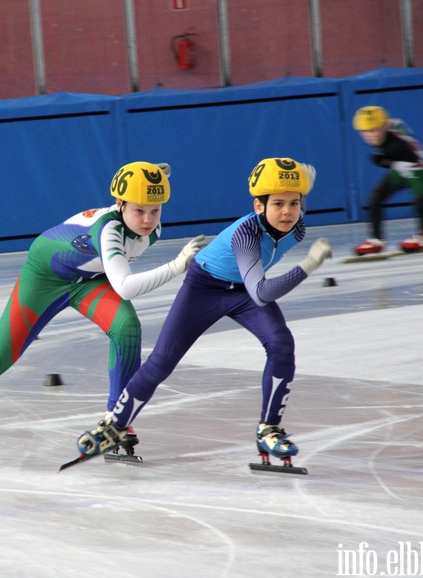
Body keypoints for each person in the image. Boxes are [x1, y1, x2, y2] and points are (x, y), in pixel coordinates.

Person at [0, 161, 207, 461]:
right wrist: (176, 266)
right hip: (45, 275)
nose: (147, 220)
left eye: (155, 210)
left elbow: (119, 276)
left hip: (89, 279)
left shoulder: (150, 228)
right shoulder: (109, 231)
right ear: (119, 204)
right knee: (0, 355)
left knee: (127, 326)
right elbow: (126, 286)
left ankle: (118, 420)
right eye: (139, 210)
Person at [74, 158, 332, 464]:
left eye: (294, 203)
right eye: (278, 203)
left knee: (281, 344)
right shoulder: (246, 234)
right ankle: (114, 426)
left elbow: (255, 290)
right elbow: (262, 293)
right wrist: (308, 266)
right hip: (205, 288)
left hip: (243, 292)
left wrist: (301, 183)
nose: (287, 212)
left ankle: (269, 429)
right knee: (162, 361)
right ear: (259, 206)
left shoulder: (297, 227)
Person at [351, 106, 423, 255]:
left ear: (384, 126)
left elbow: (408, 158)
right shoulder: (388, 126)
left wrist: (384, 161)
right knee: (375, 198)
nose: (370, 135)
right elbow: (396, 122)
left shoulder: (396, 145)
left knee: (420, 204)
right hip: (401, 168)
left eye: (374, 130)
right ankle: (376, 240)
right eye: (365, 131)